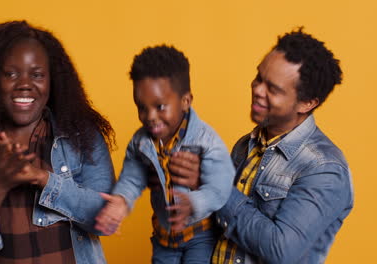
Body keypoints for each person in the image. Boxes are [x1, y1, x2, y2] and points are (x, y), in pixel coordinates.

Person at [0, 20, 116, 264]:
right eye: (10, 74)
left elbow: (106, 221)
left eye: (37, 74)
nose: (24, 84)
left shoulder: (82, 137)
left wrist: (41, 178)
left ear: (53, 81)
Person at [177, 28, 354, 264]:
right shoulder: (245, 146)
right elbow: (217, 228)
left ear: (307, 103)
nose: (257, 90)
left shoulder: (324, 169)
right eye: (259, 78)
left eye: (273, 89)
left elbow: (281, 250)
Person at [95, 45, 235, 263]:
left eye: (160, 106)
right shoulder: (141, 141)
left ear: (185, 101)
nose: (150, 116)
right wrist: (121, 201)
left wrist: (194, 203)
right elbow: (133, 178)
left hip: (200, 236)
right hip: (163, 237)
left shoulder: (206, 141)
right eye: (142, 107)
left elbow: (221, 186)